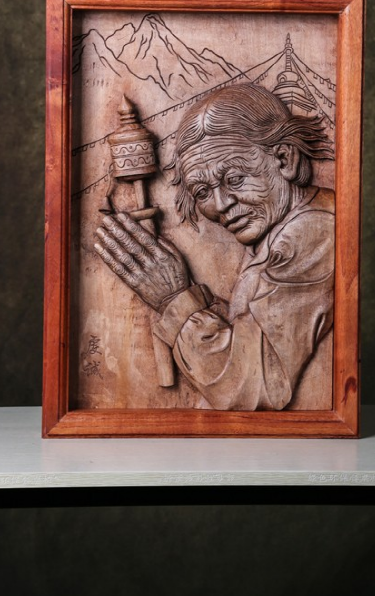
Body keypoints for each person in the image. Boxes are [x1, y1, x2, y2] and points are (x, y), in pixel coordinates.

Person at [95, 84, 335, 411]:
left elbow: (254, 385)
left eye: (235, 179)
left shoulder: (311, 233)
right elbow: (252, 327)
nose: (221, 205)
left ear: (283, 159)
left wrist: (175, 299)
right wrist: (186, 297)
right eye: (202, 192)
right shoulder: (276, 230)